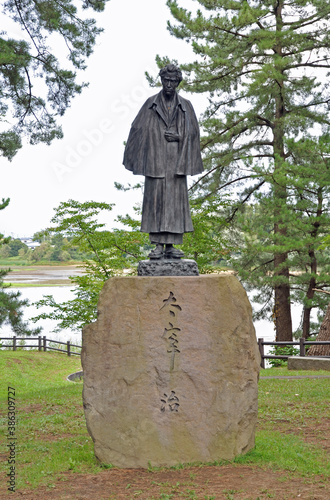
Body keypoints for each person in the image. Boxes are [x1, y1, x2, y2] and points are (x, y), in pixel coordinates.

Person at [123, 64, 203, 259]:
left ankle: (172, 246)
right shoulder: (150, 104)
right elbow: (137, 129)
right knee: (155, 203)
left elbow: (194, 133)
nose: (169, 84)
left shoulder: (185, 105)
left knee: (175, 204)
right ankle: (158, 245)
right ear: (161, 80)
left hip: (176, 163)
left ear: (177, 82)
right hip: (155, 162)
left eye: (173, 81)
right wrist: (137, 157)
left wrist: (179, 136)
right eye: (166, 80)